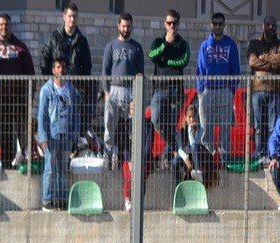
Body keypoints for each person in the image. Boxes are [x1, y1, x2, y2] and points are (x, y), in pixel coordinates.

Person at [41, 3, 93, 142]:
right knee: (54, 120)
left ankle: (72, 148)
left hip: (74, 89)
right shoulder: (54, 37)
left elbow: (87, 66)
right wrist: (49, 82)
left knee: (73, 124)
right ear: (64, 16)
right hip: (56, 88)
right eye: (69, 16)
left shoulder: (82, 41)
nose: (72, 19)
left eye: (74, 16)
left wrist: (82, 87)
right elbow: (45, 59)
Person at [101, 13, 144, 170]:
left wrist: (136, 96)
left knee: (131, 126)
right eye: (123, 26)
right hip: (114, 89)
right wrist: (106, 92)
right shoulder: (111, 46)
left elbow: (140, 73)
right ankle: (109, 152)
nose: (126, 29)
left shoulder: (137, 47)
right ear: (118, 26)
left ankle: (131, 156)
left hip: (130, 90)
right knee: (109, 124)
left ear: (131, 27)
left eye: (128, 26)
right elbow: (105, 71)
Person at [0, 14, 35, 166]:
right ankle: (7, 165)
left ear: (11, 26)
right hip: (0, 99)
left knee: (23, 133)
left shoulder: (20, 47)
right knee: (5, 133)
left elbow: (30, 73)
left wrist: (28, 96)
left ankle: (25, 164)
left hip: (18, 98)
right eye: (1, 24)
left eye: (7, 24)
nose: (4, 27)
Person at [196, 12, 239, 161]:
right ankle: (208, 160)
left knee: (225, 128)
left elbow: (235, 70)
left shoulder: (231, 45)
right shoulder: (205, 46)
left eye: (220, 24)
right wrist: (200, 92)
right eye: (215, 24)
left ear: (224, 25)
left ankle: (224, 160)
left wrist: (231, 90)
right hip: (207, 91)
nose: (218, 26)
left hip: (224, 90)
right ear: (211, 25)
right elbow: (200, 70)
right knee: (206, 128)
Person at [148, 9, 189, 165]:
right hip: (160, 88)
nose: (172, 26)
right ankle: (175, 148)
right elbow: (152, 56)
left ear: (178, 24)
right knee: (156, 119)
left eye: (175, 23)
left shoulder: (183, 43)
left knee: (171, 125)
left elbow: (183, 61)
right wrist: (166, 43)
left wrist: (165, 61)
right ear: (165, 24)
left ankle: (170, 157)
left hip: (176, 89)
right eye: (169, 23)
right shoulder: (158, 41)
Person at [38, 56, 78, 211]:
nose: (61, 70)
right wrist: (43, 137)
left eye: (63, 67)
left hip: (66, 134)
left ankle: (61, 199)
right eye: (58, 67)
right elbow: (42, 115)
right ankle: (47, 200)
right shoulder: (46, 90)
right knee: (50, 168)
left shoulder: (71, 89)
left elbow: (76, 114)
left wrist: (74, 135)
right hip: (52, 135)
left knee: (62, 169)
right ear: (53, 70)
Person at [247, 16, 280, 164]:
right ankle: (259, 155)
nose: (271, 27)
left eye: (273, 25)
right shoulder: (254, 43)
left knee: (272, 126)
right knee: (258, 126)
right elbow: (252, 61)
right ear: (263, 25)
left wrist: (263, 57)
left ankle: (271, 155)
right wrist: (271, 65)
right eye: (268, 24)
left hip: (274, 89)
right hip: (257, 89)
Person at [175, 101, 216, 189]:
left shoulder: (200, 129)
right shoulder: (181, 132)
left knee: (194, 146)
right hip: (187, 157)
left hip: (198, 156)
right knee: (176, 161)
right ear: (185, 118)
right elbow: (180, 149)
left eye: (194, 117)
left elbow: (195, 144)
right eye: (189, 117)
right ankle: (179, 185)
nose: (192, 119)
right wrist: (186, 158)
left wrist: (190, 130)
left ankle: (198, 172)